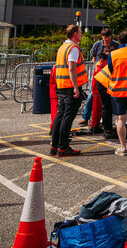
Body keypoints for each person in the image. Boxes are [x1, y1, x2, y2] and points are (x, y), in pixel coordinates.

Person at [50, 24, 88, 157]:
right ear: (74, 35)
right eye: (80, 32)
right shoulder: (73, 48)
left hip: (61, 85)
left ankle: (55, 146)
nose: (81, 35)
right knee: (67, 117)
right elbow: (72, 68)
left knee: (60, 116)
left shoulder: (62, 47)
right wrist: (76, 87)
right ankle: (63, 147)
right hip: (70, 87)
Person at [79, 27, 114, 127]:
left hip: (109, 74)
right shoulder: (97, 45)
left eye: (108, 37)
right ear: (102, 36)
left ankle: (103, 120)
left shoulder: (115, 45)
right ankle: (86, 118)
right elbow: (94, 57)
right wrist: (97, 67)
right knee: (91, 96)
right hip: (98, 74)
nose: (106, 39)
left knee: (107, 100)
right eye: (105, 37)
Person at [88, 38, 115, 137]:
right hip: (99, 85)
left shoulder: (102, 60)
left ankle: (96, 125)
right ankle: (95, 125)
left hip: (99, 84)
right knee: (98, 108)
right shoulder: (104, 61)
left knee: (99, 107)